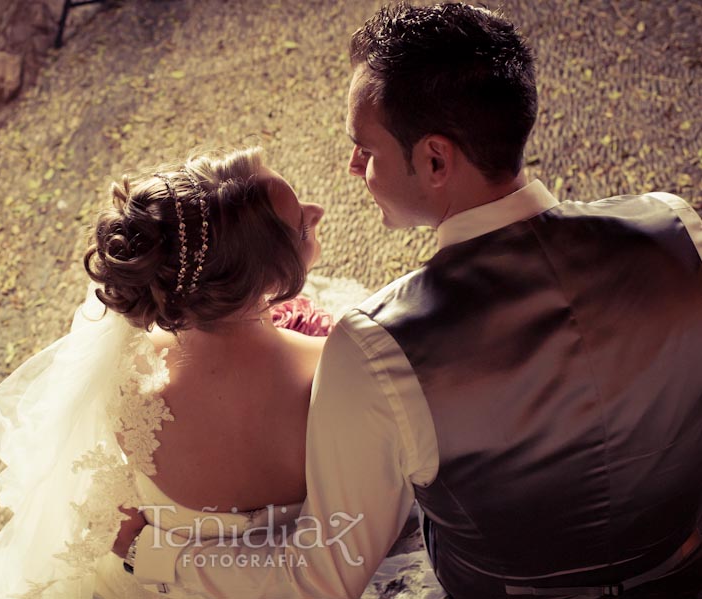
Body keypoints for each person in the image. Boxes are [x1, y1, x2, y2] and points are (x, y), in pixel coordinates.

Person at [118, 3, 702, 599]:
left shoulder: (377, 346)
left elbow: (319, 576)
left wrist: (156, 555)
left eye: (365, 149)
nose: (352, 167)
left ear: (435, 160)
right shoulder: (676, 227)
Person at [0, 147, 375, 599]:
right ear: (262, 276)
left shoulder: (126, 375)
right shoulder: (339, 370)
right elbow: (336, 555)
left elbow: (105, 515)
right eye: (302, 223)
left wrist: (152, 551)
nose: (320, 213)